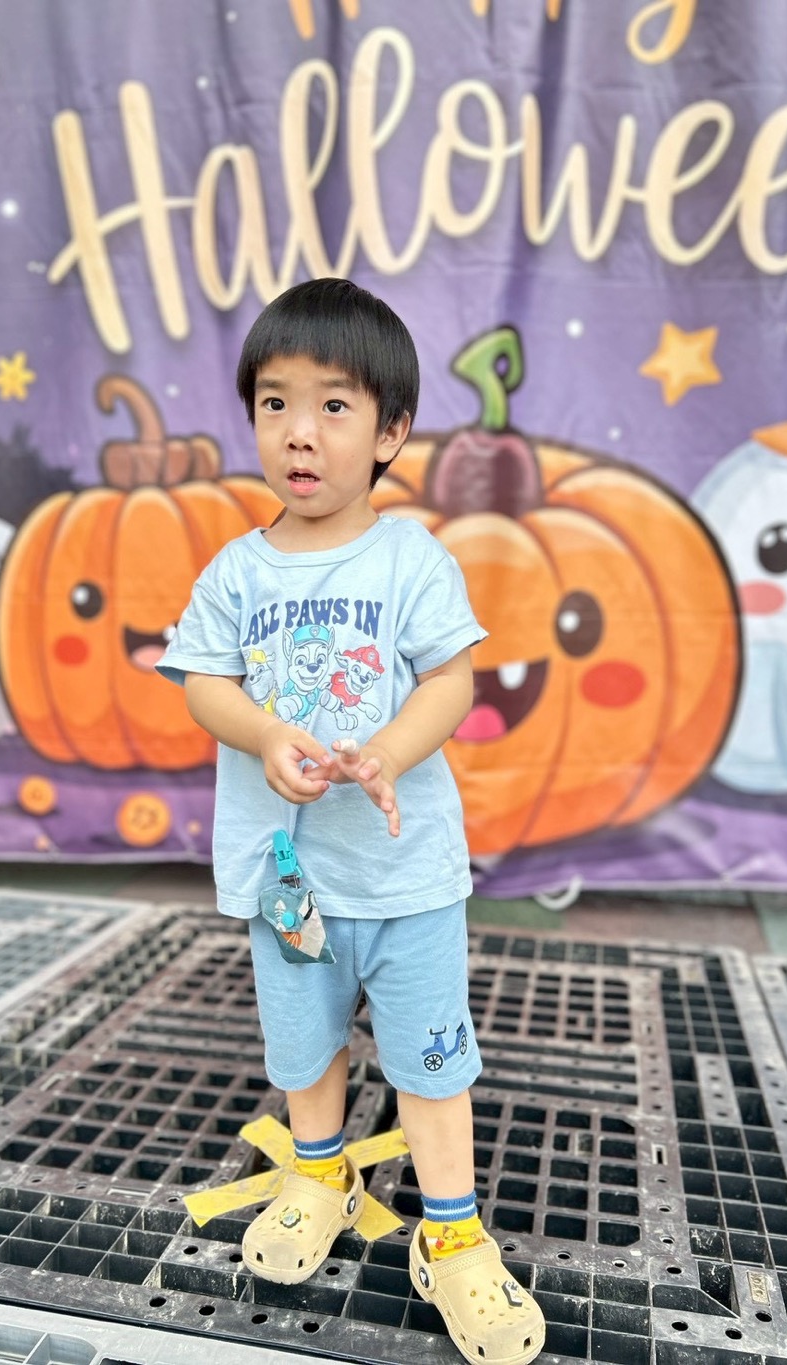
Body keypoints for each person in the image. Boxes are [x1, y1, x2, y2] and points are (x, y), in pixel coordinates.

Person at [157, 277, 545, 1365]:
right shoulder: (236, 570)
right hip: (291, 881)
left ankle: (452, 1234)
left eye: (334, 405)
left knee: (431, 1062)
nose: (300, 431)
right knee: (304, 1046)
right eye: (275, 403)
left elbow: (452, 682)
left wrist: (389, 752)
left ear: (390, 432)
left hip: (405, 876)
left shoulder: (410, 559)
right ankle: (318, 1170)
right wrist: (262, 732)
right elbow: (204, 683)